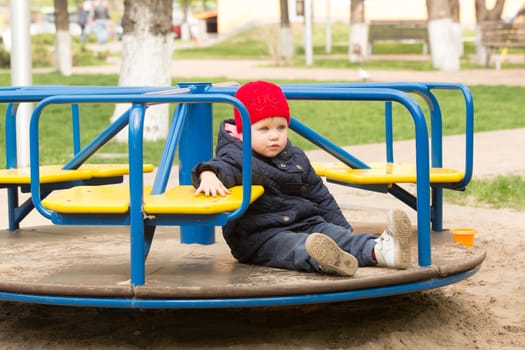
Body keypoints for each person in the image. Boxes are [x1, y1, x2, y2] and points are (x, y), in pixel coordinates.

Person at [192, 81, 412, 277]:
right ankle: (325, 260)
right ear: (242, 131)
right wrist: (208, 175)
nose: (274, 135)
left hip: (307, 223)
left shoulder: (294, 156)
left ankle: (382, 251)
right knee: (296, 246)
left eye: (281, 127)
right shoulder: (237, 157)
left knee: (336, 235)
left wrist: (341, 228)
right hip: (259, 236)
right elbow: (220, 167)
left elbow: (320, 195)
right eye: (263, 129)